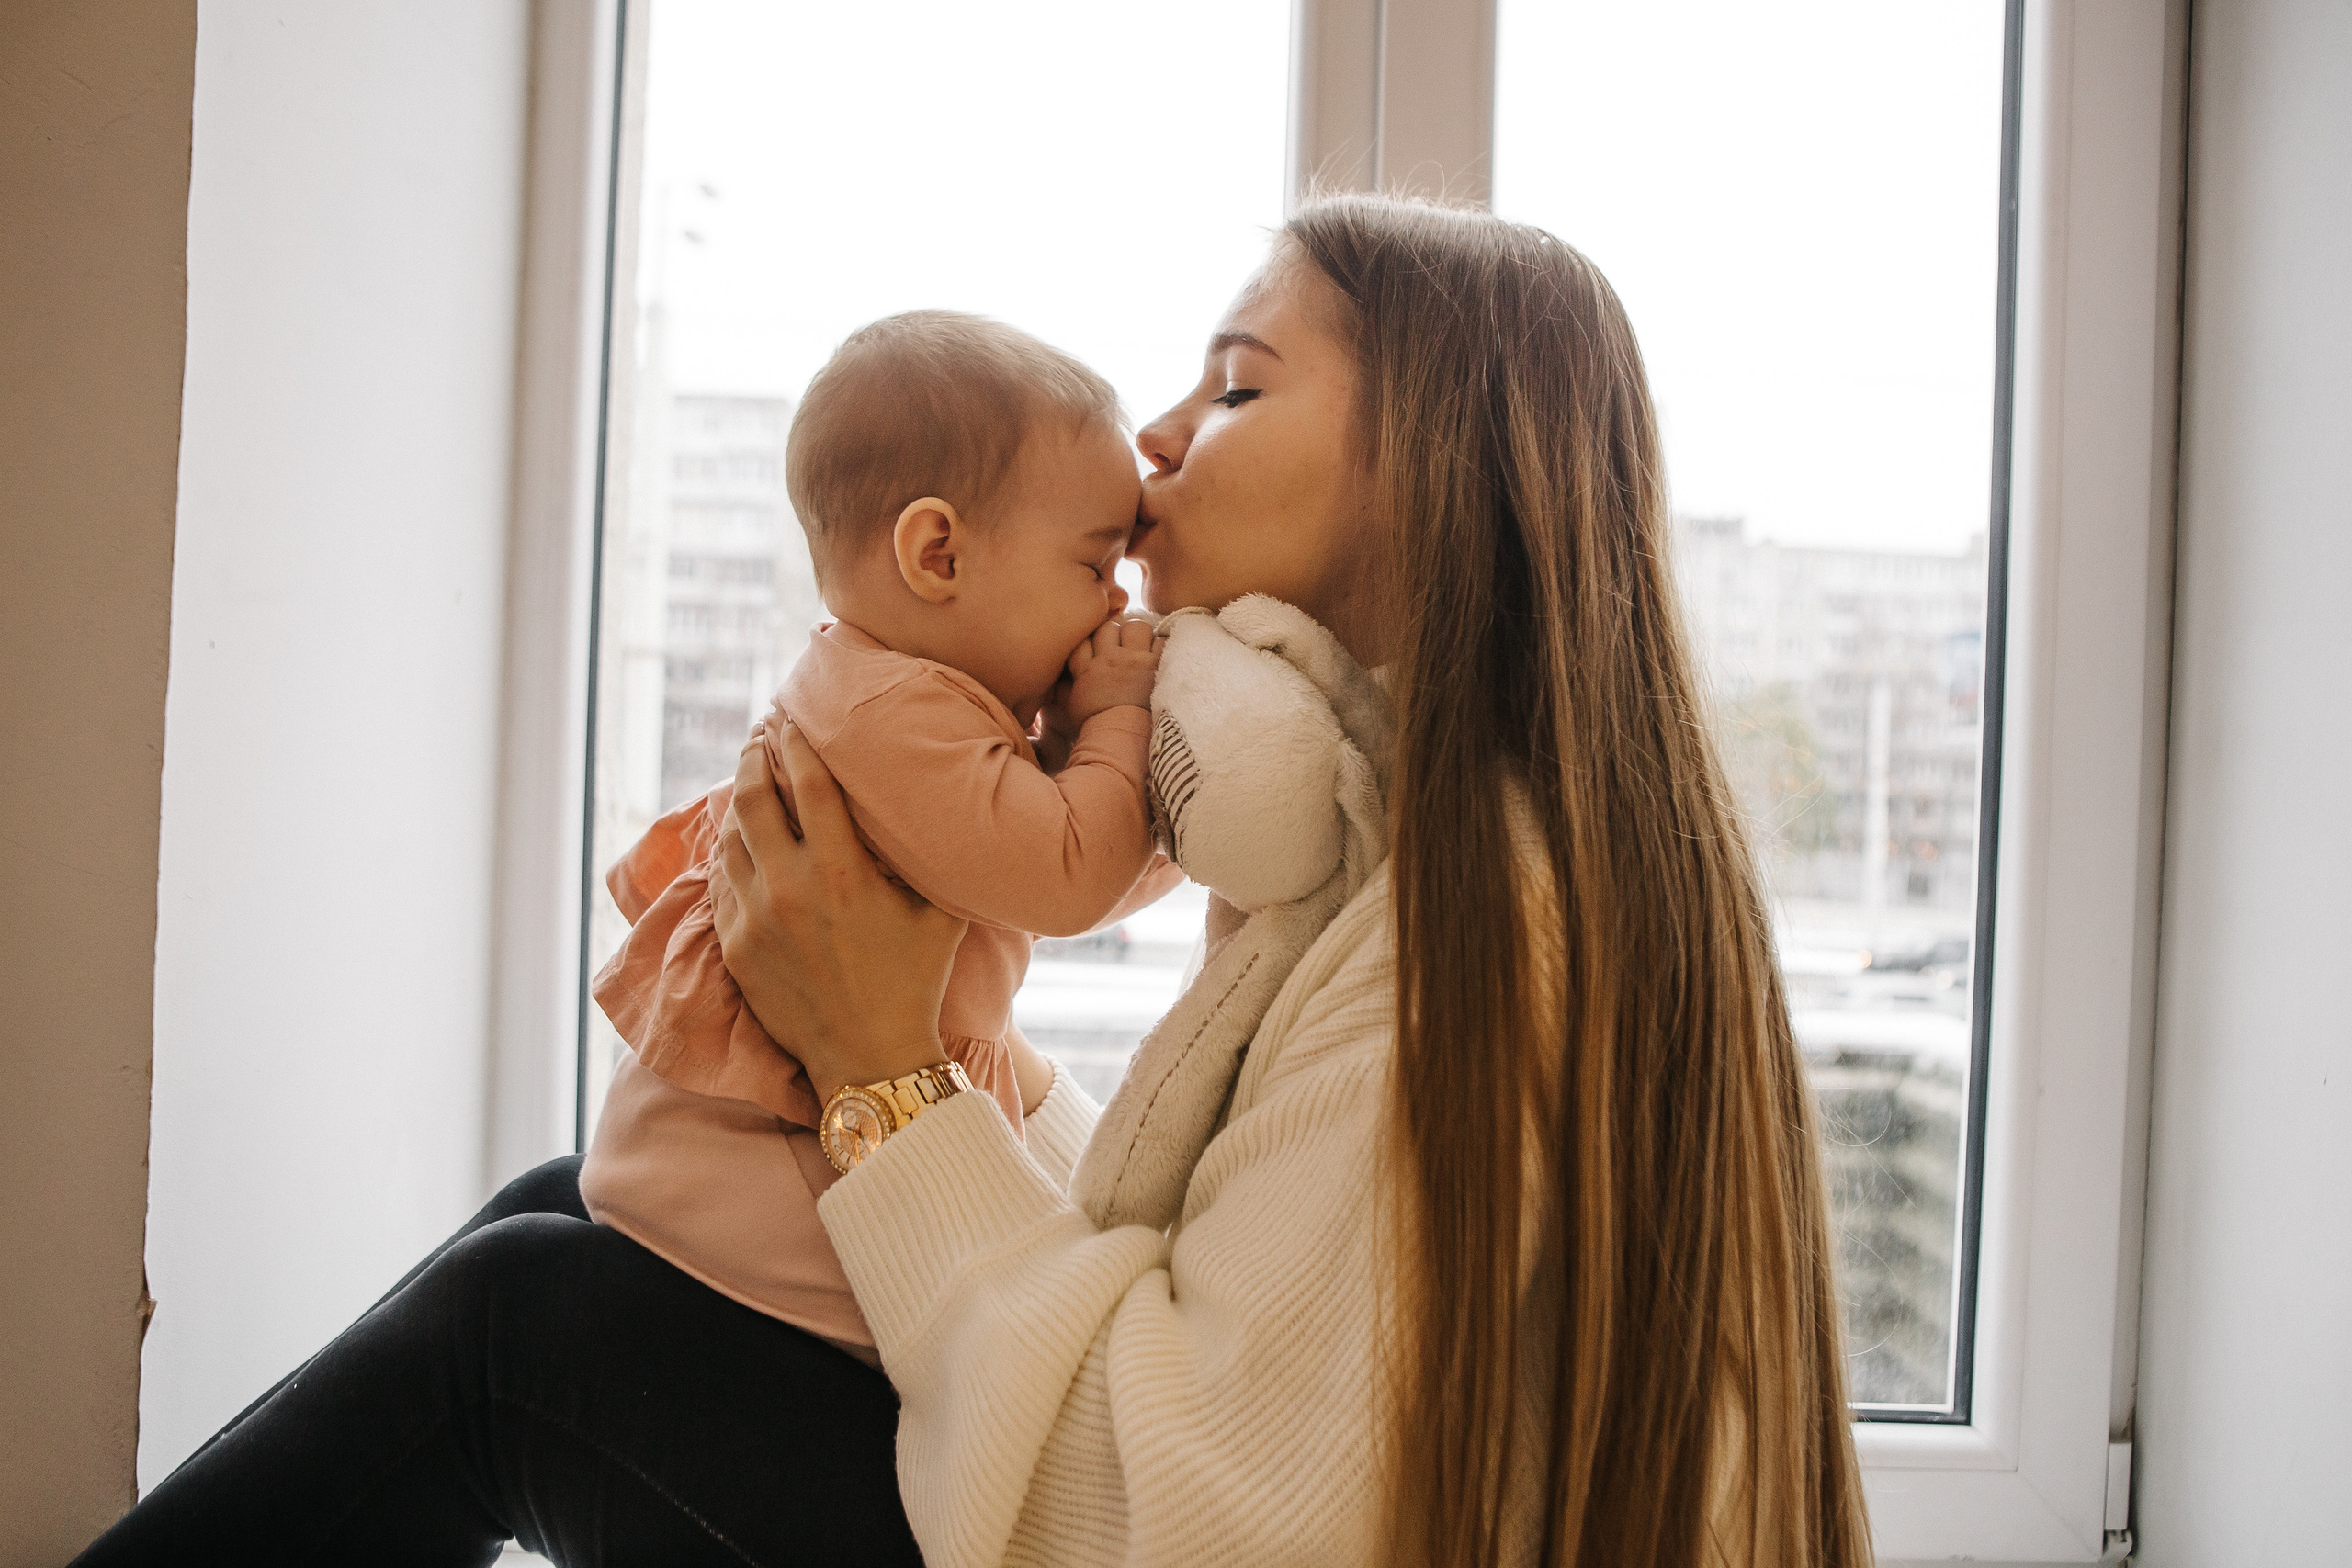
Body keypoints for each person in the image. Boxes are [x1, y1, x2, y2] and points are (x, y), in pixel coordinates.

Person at [74, 193, 1871, 1568]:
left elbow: (1157, 1509)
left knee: (521, 1330)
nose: (1158, 443)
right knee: (582, 1207)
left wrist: (881, 1067)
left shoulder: (1458, 965)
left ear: (1441, 471)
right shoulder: (1407, 863)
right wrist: (935, 1084)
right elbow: (1246, 1276)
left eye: (1235, 383)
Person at [583, 310, 1178, 1365]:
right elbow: (1070, 877)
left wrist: (1169, 817)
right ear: (937, 551)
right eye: (1094, 568)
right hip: (766, 1192)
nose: (1114, 604)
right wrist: (1124, 718)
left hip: (768, 1157)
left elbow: (1073, 865)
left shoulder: (897, 694)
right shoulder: (894, 718)